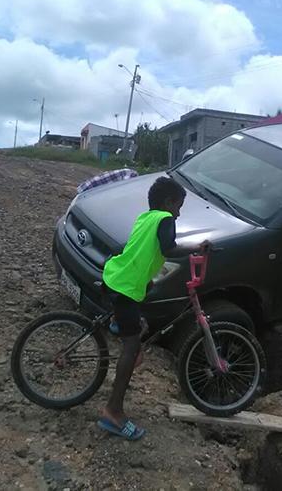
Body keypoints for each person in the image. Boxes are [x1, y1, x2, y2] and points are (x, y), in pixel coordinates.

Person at [97, 176, 206, 440]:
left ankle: (118, 323)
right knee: (132, 347)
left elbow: (144, 251)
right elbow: (169, 249)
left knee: (142, 308)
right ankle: (113, 412)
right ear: (169, 203)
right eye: (179, 206)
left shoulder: (145, 218)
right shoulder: (165, 220)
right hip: (125, 287)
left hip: (118, 276)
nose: (179, 213)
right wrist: (198, 247)